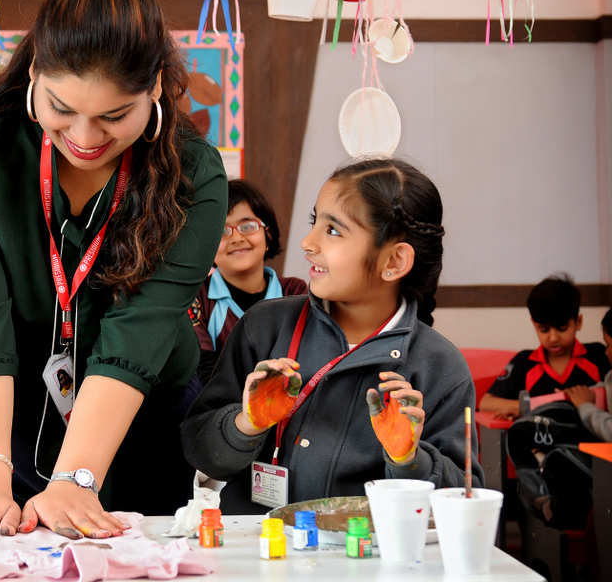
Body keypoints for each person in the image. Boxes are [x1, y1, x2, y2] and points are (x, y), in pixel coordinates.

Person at [0, 0, 227, 541]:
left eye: (113, 116)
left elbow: (144, 324)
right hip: (4, 419)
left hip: (140, 413)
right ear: (34, 72)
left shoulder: (194, 173)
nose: (84, 136)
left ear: (155, 87)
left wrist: (78, 477)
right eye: (61, 108)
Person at [181, 158, 483, 514]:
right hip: (259, 557)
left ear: (394, 261)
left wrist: (409, 459)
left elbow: (464, 502)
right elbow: (199, 449)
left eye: (334, 230)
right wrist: (246, 423)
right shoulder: (264, 326)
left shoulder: (440, 367)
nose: (308, 243)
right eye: (315, 221)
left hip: (363, 564)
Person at [189, 179, 306, 385]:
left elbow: (305, 360)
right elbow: (204, 371)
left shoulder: (295, 292)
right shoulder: (195, 297)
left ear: (268, 235)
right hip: (223, 410)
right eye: (221, 231)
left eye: (247, 226)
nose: (236, 238)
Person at [479, 275, 611, 420]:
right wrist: (538, 406)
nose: (553, 338)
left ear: (578, 322)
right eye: (544, 330)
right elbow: (486, 403)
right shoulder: (524, 362)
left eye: (562, 328)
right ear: (534, 324)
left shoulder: (600, 355)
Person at [564, 308, 612, 441]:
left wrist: (586, 407)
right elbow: (601, 389)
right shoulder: (610, 377)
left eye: (608, 345)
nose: (606, 352)